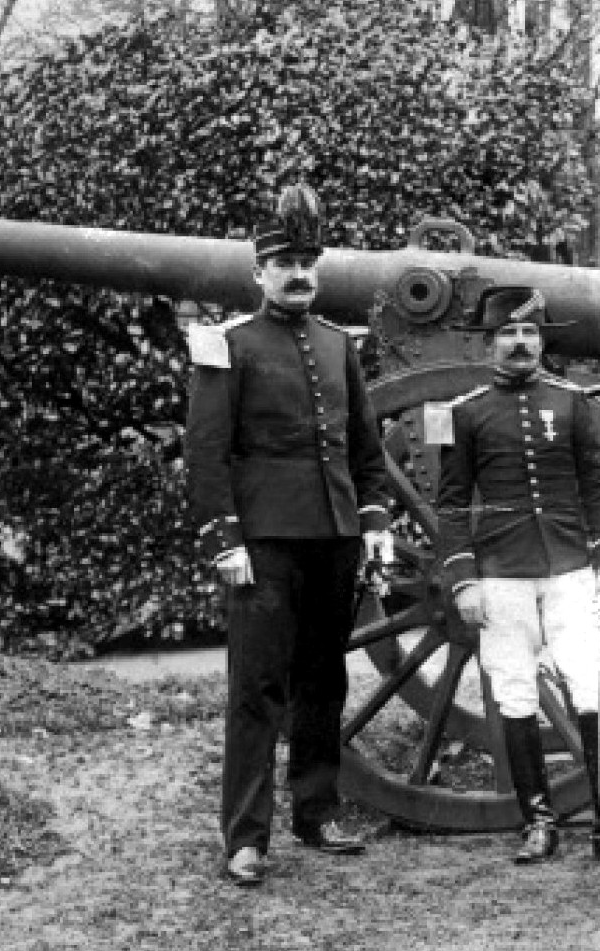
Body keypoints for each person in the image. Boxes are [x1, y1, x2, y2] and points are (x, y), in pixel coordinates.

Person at [185, 184, 394, 887]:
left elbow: (366, 451)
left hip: (333, 536)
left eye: (307, 263)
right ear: (259, 273)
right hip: (264, 543)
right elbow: (206, 454)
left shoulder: (337, 346)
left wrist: (372, 522)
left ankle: (316, 812)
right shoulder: (228, 345)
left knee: (323, 680)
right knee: (257, 687)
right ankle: (246, 837)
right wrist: (225, 539)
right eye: (285, 264)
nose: (299, 274)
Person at [433, 286, 600, 867]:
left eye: (529, 333)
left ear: (542, 341)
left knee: (592, 687)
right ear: (489, 344)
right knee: (514, 693)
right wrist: (463, 579)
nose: (520, 343)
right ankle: (538, 822)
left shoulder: (572, 405)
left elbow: (595, 489)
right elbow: (451, 505)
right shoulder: (465, 413)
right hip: (502, 576)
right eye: (508, 334)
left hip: (570, 571)